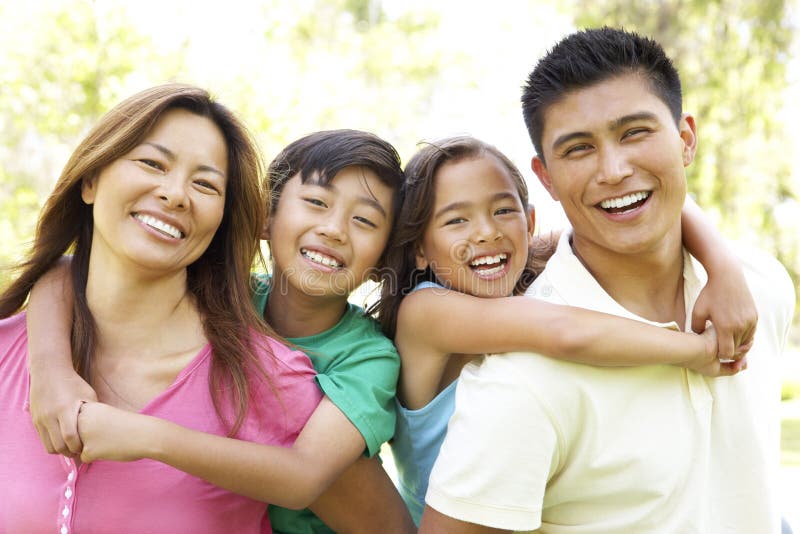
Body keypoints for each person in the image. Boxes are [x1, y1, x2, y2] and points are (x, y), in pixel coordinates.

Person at [420, 27, 795, 533]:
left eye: (635, 132)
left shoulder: (759, 287)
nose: (614, 170)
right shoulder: (522, 379)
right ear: (546, 177)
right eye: (578, 149)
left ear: (686, 139)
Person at [25, 129, 414, 532]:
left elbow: (300, 478)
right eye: (316, 202)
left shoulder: (368, 358)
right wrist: (50, 370)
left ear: (384, 255)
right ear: (266, 216)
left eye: (364, 220)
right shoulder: (227, 296)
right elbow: (66, 271)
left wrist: (146, 437)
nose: (334, 229)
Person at [375, 135, 758, 526]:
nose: (486, 232)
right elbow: (564, 332)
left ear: (530, 222)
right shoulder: (423, 312)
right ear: (420, 248)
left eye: (503, 210)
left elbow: (664, 210)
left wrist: (723, 268)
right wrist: (696, 351)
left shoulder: (535, 272)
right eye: (457, 220)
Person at [0, 84, 322, 532]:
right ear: (90, 180)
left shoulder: (269, 381)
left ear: (222, 220)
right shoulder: (10, 349)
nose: (174, 194)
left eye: (205, 184)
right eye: (152, 163)